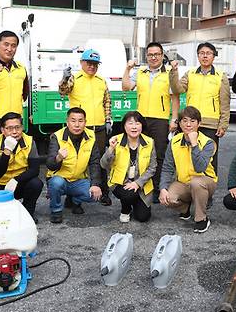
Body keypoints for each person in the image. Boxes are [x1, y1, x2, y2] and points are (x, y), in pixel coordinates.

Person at [122, 42, 179, 204]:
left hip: (160, 119)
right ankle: (141, 186)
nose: (153, 57)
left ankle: (157, 188)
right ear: (146, 56)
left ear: (162, 56)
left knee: (159, 154)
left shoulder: (169, 72)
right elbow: (126, 87)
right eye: (150, 54)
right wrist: (127, 69)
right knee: (141, 153)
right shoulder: (140, 72)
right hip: (141, 120)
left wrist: (174, 118)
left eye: (157, 54)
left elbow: (174, 97)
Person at [59, 49, 113, 206]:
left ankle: (103, 192)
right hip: (80, 127)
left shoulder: (101, 81)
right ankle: (73, 198)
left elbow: (107, 101)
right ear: (81, 63)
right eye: (89, 63)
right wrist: (64, 78)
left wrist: (108, 120)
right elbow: (63, 91)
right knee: (77, 162)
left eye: (95, 64)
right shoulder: (74, 79)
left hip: (99, 127)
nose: (92, 66)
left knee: (101, 161)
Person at [169, 42, 230, 174]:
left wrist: (223, 124)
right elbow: (177, 89)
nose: (205, 56)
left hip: (210, 123)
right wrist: (174, 72)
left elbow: (224, 103)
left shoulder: (220, 76)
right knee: (188, 156)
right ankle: (188, 187)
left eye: (208, 53)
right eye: (202, 53)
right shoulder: (190, 74)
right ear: (198, 56)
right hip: (190, 122)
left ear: (214, 56)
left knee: (210, 158)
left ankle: (208, 189)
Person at [159, 106, 217, 233]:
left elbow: (200, 167)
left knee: (196, 183)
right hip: (184, 183)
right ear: (179, 123)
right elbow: (167, 168)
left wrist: (194, 143)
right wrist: (163, 188)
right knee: (169, 197)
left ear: (199, 123)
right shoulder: (174, 141)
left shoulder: (208, 143)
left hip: (205, 182)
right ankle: (185, 207)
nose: (188, 124)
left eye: (192, 121)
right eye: (184, 121)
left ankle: (201, 219)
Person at [45, 107, 103, 223]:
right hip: (59, 178)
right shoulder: (57, 136)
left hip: (78, 179)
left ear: (85, 123)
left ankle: (75, 201)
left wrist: (95, 184)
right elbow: (50, 165)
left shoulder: (91, 137)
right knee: (56, 183)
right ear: (67, 122)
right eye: (73, 120)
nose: (77, 125)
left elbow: (94, 162)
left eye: (80, 121)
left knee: (95, 195)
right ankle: (56, 210)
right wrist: (58, 158)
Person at [101, 111, 157, 223]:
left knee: (143, 217)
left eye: (137, 123)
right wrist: (111, 149)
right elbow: (103, 164)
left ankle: (135, 202)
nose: (134, 127)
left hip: (141, 184)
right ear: (124, 126)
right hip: (120, 182)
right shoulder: (116, 140)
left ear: (142, 126)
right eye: (130, 123)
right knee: (129, 194)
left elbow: (152, 168)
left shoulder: (149, 142)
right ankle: (125, 209)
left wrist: (137, 183)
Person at [0, 112, 42, 221]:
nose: (14, 132)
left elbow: (35, 170)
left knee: (36, 184)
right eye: (9, 128)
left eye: (17, 127)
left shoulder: (29, 141)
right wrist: (6, 152)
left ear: (22, 127)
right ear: (2, 130)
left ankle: (27, 213)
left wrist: (16, 180)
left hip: (18, 182)